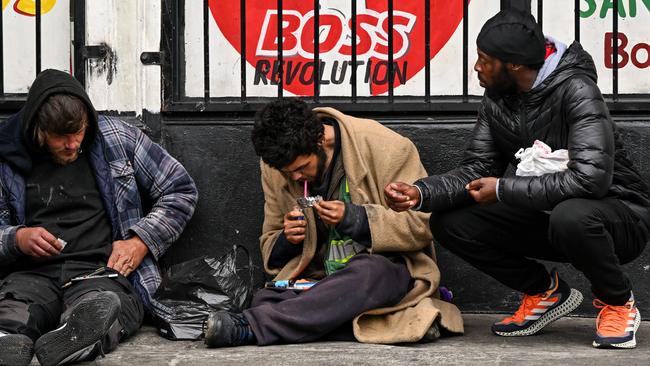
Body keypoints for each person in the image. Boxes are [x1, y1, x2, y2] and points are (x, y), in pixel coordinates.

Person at [385, 8, 650, 349]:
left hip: (617, 219)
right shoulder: (498, 99)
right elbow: (477, 168)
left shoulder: (577, 91)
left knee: (573, 215)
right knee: (451, 222)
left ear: (513, 65)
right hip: (550, 217)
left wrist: (505, 189)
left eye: (484, 60)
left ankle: (617, 302)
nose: (477, 67)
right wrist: (420, 193)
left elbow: (589, 181)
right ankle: (545, 293)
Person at [202, 98, 463, 348]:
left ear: (320, 141)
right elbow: (271, 243)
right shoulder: (275, 166)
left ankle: (253, 327)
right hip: (320, 281)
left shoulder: (387, 147)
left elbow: (422, 226)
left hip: (385, 270)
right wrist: (288, 239)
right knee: (265, 298)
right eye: (287, 173)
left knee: (371, 272)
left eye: (302, 167)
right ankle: (376, 323)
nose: (295, 176)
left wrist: (356, 219)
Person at [0, 69, 198, 365]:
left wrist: (140, 241)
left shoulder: (115, 137)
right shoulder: (7, 156)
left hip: (98, 271)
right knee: (13, 312)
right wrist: (16, 239)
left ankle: (77, 335)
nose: (73, 145)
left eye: (77, 132)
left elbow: (180, 189)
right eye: (60, 137)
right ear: (38, 130)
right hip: (32, 274)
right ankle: (9, 342)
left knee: (106, 306)